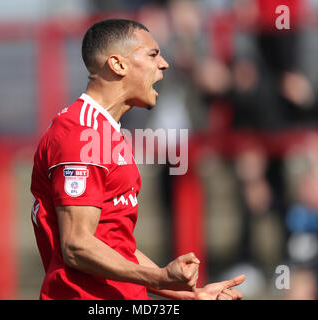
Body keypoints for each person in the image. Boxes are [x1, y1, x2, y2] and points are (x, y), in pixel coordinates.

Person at [30, 18, 245, 300]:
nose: (164, 64)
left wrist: (191, 295)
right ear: (118, 65)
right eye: (153, 55)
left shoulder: (106, 132)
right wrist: (159, 275)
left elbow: (116, 247)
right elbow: (77, 245)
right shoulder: (81, 133)